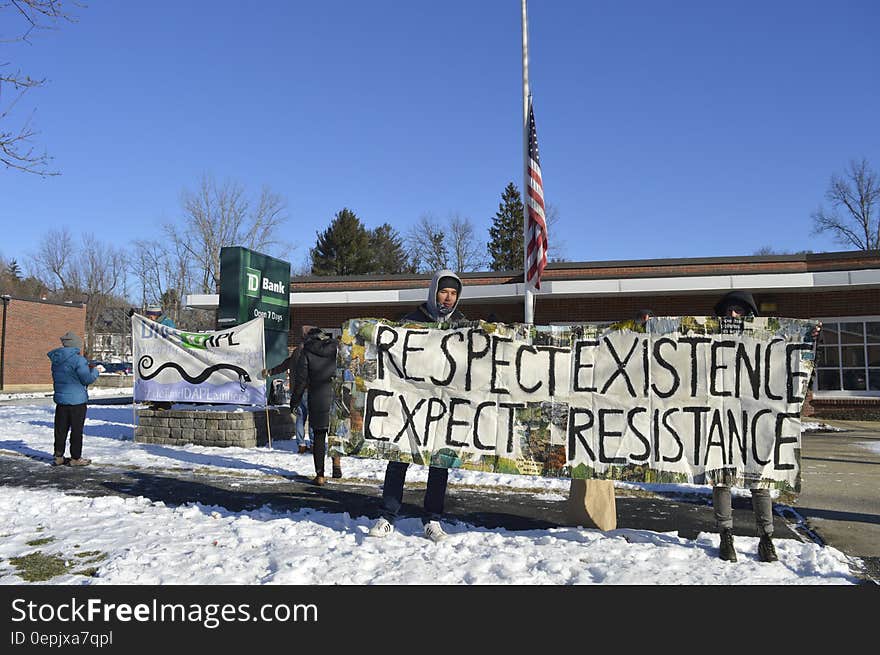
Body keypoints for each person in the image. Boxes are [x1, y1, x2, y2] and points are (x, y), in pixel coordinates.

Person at [368, 269, 467, 542]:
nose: (447, 298)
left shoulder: (462, 325)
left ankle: (432, 519)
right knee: (399, 459)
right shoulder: (410, 322)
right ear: (433, 292)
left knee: (439, 463)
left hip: (443, 407)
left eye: (453, 293)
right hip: (409, 404)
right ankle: (387, 516)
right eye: (443, 292)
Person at [710, 290, 774, 562]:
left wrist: (810, 339)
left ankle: (767, 538)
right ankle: (726, 536)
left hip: (755, 418)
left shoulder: (765, 340)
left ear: (749, 315)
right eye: (728, 311)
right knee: (721, 478)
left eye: (738, 310)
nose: (733, 315)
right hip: (721, 418)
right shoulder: (711, 339)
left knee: (759, 478)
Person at [288, 326, 341, 486]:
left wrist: (295, 400)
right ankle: (336, 464)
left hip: (317, 397)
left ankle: (320, 475)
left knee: (319, 436)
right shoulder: (336, 350)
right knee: (336, 434)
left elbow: (302, 380)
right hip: (336, 395)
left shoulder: (307, 352)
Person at [48, 332, 100, 466]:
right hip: (77, 401)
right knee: (76, 430)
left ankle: (58, 456)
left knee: (60, 429)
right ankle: (75, 458)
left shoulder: (56, 360)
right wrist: (94, 371)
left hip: (61, 400)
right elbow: (86, 379)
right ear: (76, 345)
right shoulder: (78, 360)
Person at [262, 329, 315, 454]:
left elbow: (284, 365)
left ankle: (301, 444)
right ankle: (313, 444)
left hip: (295, 391)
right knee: (313, 418)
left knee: (300, 417)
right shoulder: (311, 353)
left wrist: (269, 372)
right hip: (308, 389)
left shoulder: (296, 353)